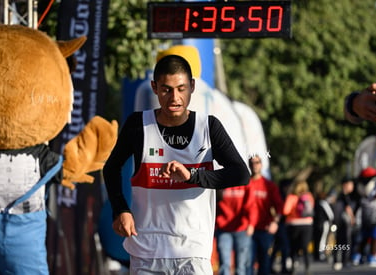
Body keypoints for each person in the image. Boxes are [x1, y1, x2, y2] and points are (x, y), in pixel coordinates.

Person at [103, 54, 251, 274]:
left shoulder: (208, 127)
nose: (174, 98)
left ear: (192, 86)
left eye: (181, 89)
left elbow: (241, 174)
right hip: (147, 251)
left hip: (192, 252)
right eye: (166, 89)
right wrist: (120, 210)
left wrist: (192, 176)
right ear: (154, 87)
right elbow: (111, 168)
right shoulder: (138, 125)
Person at [248, 155, 283, 275]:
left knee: (264, 263)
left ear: (261, 164)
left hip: (265, 230)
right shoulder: (245, 183)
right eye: (252, 163)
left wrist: (275, 222)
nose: (254, 165)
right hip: (248, 230)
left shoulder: (269, 185)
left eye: (257, 162)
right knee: (248, 262)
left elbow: (279, 207)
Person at [215, 183, 258, 275]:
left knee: (241, 265)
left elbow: (251, 205)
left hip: (242, 229)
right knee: (224, 263)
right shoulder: (221, 181)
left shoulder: (245, 181)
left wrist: (251, 223)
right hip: (223, 229)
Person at [283, 180, 315, 275]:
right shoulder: (309, 196)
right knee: (305, 247)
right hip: (307, 224)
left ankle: (293, 267)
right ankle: (307, 268)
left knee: (294, 247)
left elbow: (285, 210)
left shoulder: (291, 197)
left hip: (293, 224)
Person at [332, 177, 357, 270]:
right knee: (346, 241)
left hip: (338, 222)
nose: (352, 186)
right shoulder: (344, 196)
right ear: (345, 185)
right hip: (344, 222)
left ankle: (337, 260)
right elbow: (348, 208)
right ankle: (344, 261)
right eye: (351, 184)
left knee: (339, 242)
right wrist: (352, 218)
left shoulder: (339, 195)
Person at [312, 189, 336, 263]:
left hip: (315, 223)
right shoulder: (324, 203)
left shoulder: (315, 203)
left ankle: (316, 254)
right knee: (322, 238)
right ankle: (321, 254)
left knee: (317, 239)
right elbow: (330, 215)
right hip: (324, 223)